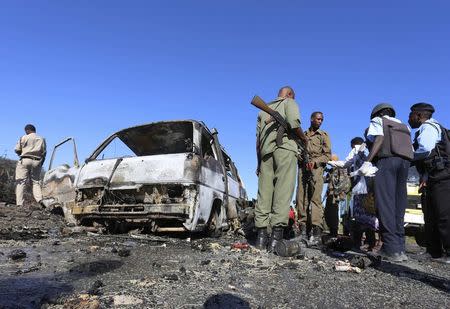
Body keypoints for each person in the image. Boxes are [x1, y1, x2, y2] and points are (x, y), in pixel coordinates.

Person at [356, 103, 412, 262]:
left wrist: (368, 161)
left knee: (385, 204)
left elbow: (379, 138)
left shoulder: (378, 121)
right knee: (398, 205)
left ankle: (390, 248)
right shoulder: (404, 125)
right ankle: (400, 248)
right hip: (405, 164)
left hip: (387, 162)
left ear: (377, 114)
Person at [254, 86, 306, 252]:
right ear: (289, 95)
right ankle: (276, 240)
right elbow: (293, 123)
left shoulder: (263, 112)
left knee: (264, 194)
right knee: (283, 193)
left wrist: (258, 163)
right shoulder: (289, 103)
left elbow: (257, 141)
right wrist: (304, 139)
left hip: (265, 154)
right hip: (284, 150)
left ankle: (261, 239)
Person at [409, 102, 450, 263]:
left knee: (443, 215)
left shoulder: (428, 127)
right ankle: (433, 251)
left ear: (419, 116)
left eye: (411, 115)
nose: (409, 118)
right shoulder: (428, 128)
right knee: (431, 215)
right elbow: (430, 158)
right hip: (433, 176)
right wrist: (424, 177)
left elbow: (425, 149)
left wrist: (407, 157)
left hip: (443, 176)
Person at [296, 111, 331, 243]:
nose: (320, 121)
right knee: (301, 198)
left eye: (322, 120)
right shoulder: (303, 135)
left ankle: (316, 232)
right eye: (318, 119)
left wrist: (315, 162)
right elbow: (297, 150)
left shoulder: (324, 135)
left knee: (316, 199)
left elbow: (327, 155)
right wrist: (301, 158)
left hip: (316, 169)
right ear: (311, 119)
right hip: (302, 168)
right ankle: (303, 231)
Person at [14, 124, 46, 207]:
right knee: (36, 182)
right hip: (37, 161)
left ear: (27, 130)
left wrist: (21, 153)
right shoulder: (41, 139)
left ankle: (19, 204)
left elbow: (17, 149)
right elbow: (44, 153)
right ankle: (40, 200)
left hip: (25, 159)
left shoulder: (24, 137)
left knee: (21, 181)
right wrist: (40, 163)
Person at [324, 154, 351, 237]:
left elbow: (344, 182)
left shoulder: (341, 169)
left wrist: (337, 193)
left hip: (335, 194)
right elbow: (325, 179)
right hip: (330, 194)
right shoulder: (332, 170)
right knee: (328, 212)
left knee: (333, 213)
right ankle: (331, 231)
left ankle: (334, 232)